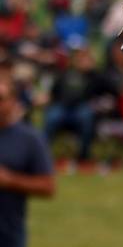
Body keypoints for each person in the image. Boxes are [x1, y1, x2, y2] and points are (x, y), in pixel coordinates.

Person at [0, 73, 56, 247]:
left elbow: (48, 186)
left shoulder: (29, 139)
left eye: (0, 98)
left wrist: (9, 180)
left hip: (8, 234)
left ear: (13, 102)